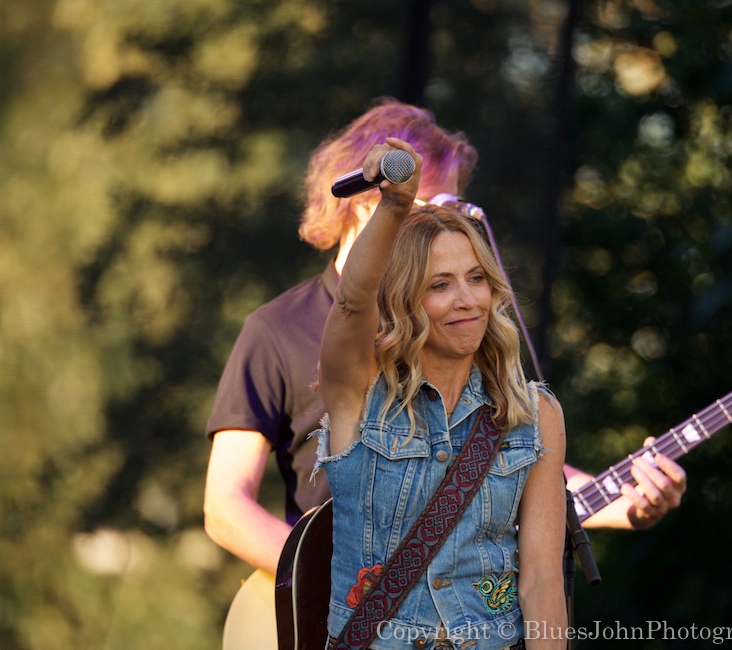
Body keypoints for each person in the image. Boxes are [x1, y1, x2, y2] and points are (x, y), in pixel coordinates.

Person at [203, 98, 686, 579]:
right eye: (431, 204)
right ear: (367, 199)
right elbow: (226, 506)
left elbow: (522, 470)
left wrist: (628, 501)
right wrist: (323, 584)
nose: (448, 224)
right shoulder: (276, 328)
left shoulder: (456, 326)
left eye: (454, 208)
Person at [316, 137, 564, 646]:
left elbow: (541, 580)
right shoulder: (360, 396)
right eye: (440, 285)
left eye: (476, 278)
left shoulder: (534, 413)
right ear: (405, 300)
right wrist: (394, 208)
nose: (466, 299)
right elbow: (349, 305)